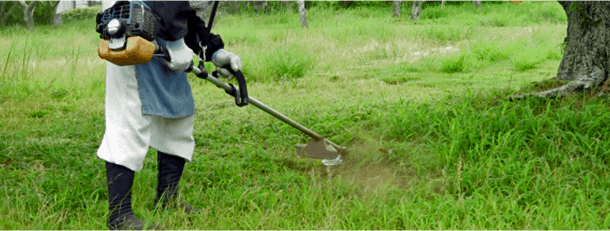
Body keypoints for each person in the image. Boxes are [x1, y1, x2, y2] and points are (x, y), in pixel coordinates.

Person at [96, 1, 242, 230]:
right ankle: (119, 215)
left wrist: (214, 50)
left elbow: (183, 13)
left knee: (179, 116)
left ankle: (168, 201)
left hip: (168, 41)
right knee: (128, 120)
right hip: (133, 28)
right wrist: (174, 42)